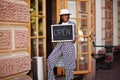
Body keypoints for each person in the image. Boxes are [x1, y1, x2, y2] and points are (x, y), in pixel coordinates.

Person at [47, 9, 76, 80]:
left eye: (66, 15)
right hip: (59, 46)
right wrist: (54, 39)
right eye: (63, 15)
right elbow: (56, 37)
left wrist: (74, 39)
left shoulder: (72, 24)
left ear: (68, 16)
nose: (65, 16)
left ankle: (69, 79)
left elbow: (75, 35)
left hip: (69, 46)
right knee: (50, 60)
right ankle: (51, 78)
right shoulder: (58, 25)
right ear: (61, 16)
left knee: (69, 65)